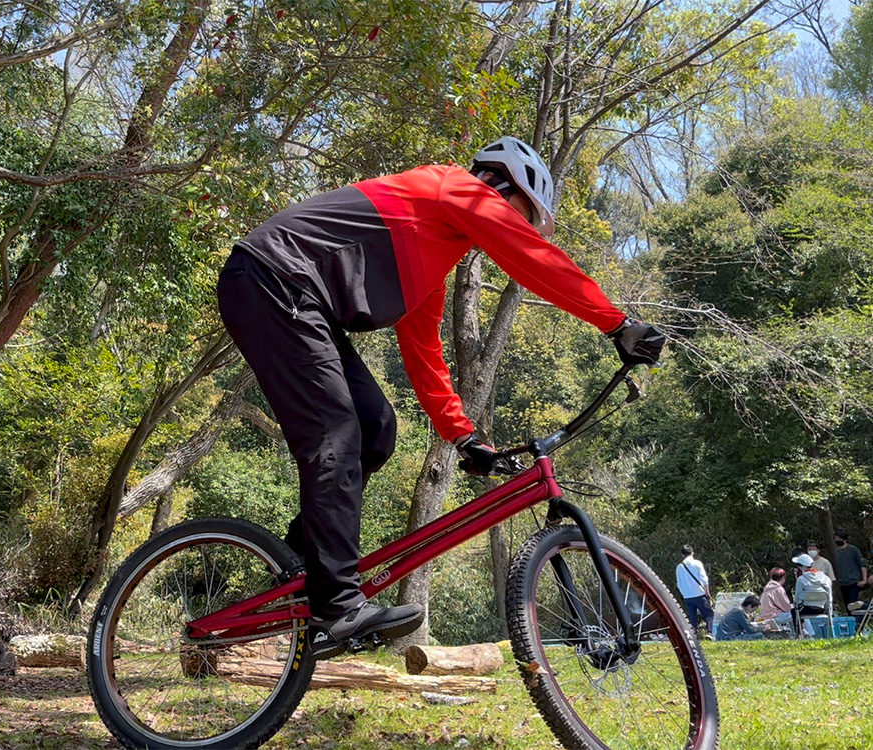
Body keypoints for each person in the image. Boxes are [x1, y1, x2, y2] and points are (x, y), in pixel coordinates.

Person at [216, 136, 665, 659]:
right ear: (501, 186)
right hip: (274, 279)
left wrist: (462, 434)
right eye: (520, 212)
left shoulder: (431, 255)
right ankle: (336, 604)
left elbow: (424, 351)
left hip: (293, 295)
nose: (514, 224)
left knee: (376, 428)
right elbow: (531, 257)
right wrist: (616, 323)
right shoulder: (453, 187)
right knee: (337, 433)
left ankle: (299, 570)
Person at [675, 544, 714, 639]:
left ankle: (693, 635)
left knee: (692, 617)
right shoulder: (697, 563)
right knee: (708, 614)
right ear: (692, 552)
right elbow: (704, 579)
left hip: (687, 596)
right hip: (699, 594)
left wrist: (684, 593)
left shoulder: (679, 567)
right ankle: (709, 632)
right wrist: (707, 593)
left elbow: (679, 583)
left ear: (682, 555)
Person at [791, 552, 834, 635]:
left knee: (794, 611)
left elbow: (797, 599)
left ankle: (800, 634)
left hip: (806, 609)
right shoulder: (825, 578)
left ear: (803, 567)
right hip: (822, 609)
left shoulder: (801, 579)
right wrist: (830, 612)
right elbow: (830, 598)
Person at [834, 529, 868, 607]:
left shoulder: (853, 550)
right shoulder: (837, 552)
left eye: (838, 538)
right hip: (842, 583)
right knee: (847, 606)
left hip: (854, 582)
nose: (837, 540)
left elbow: (863, 564)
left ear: (844, 539)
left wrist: (864, 580)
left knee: (853, 605)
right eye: (835, 538)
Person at [759, 568, 794, 632]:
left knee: (793, 616)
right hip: (774, 616)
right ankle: (809, 634)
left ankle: (798, 634)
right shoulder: (778, 589)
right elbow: (786, 607)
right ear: (783, 578)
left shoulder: (767, 588)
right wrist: (794, 606)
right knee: (798, 614)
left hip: (765, 616)